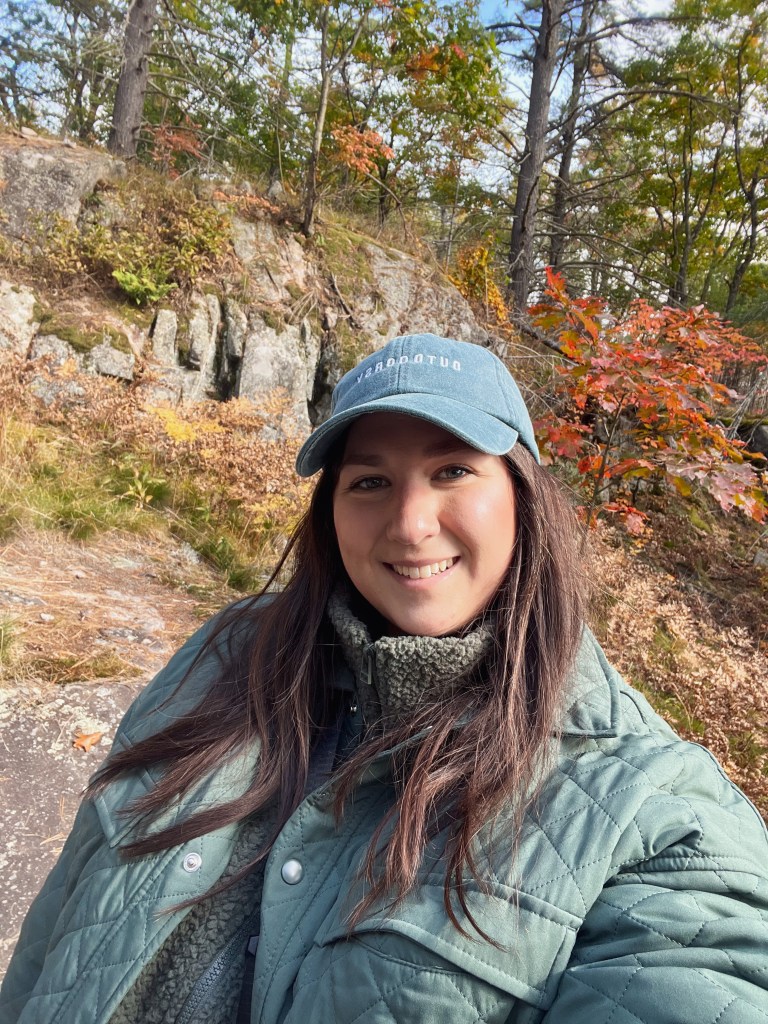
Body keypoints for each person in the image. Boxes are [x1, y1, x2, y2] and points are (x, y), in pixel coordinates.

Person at [2, 333, 767, 1024]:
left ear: (525, 497)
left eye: (454, 470)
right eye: (369, 482)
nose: (409, 523)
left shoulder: (662, 816)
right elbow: (57, 941)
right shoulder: (225, 660)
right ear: (329, 510)